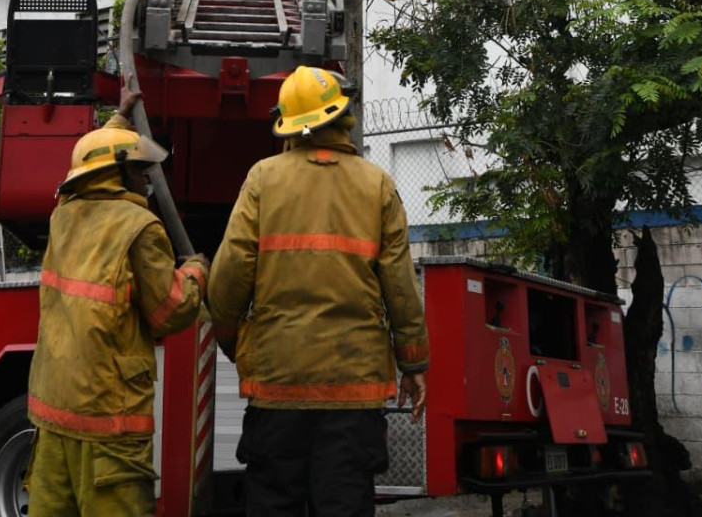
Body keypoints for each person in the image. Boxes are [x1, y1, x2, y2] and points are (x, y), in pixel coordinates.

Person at [208, 66, 429, 517]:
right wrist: (414, 363)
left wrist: (238, 345)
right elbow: (401, 287)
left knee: (273, 503)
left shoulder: (262, 179)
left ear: (289, 123)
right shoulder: (377, 185)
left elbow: (228, 280)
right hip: (354, 393)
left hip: (277, 387)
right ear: (343, 118)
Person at [26, 90, 209, 517]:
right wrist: (197, 271)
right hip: (110, 422)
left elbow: (94, 158)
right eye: (141, 172)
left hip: (52, 416)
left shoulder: (63, 215)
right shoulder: (140, 227)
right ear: (120, 174)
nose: (147, 181)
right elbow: (170, 310)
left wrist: (117, 121)